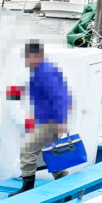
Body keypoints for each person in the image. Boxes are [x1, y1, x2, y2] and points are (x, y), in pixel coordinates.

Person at [19, 41, 72, 192]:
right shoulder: (42, 70)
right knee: (50, 153)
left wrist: (60, 121)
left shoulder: (45, 72)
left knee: (27, 150)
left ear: (38, 56)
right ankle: (65, 184)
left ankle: (27, 187)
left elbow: (60, 97)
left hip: (51, 121)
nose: (27, 61)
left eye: (29, 57)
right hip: (46, 119)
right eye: (26, 57)